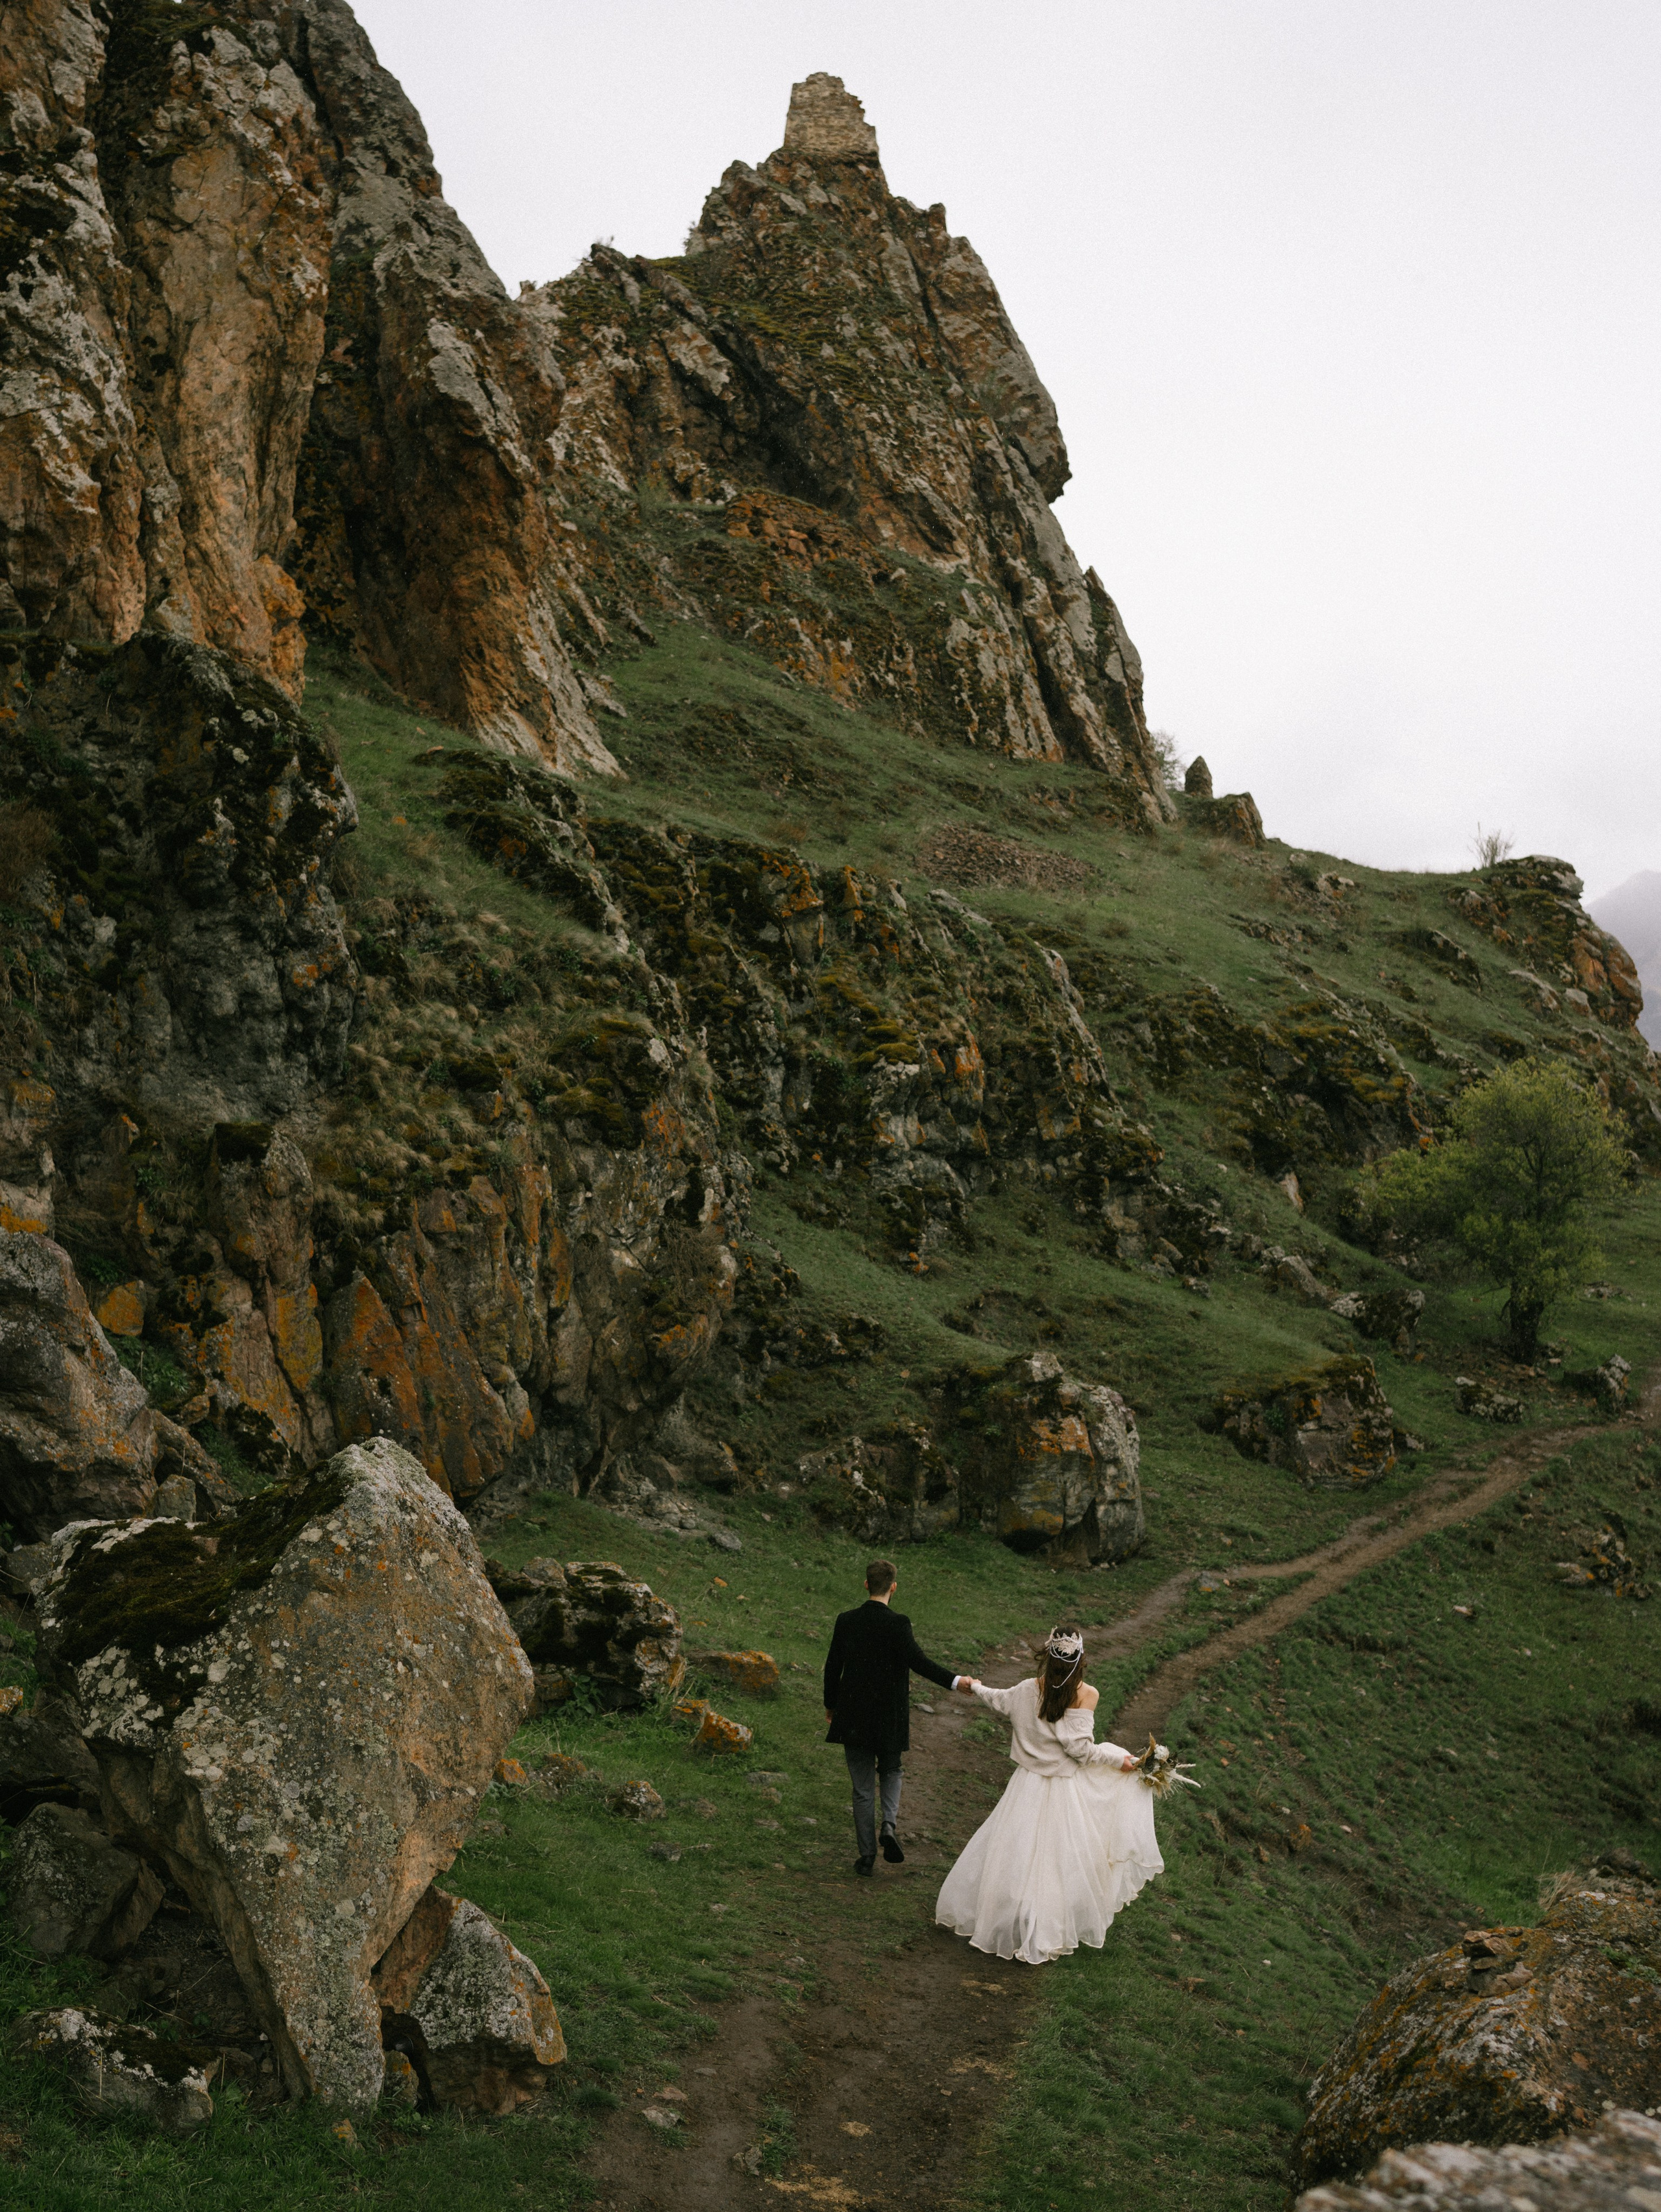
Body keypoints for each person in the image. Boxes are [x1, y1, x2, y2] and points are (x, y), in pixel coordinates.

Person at [936, 1625, 1165, 1964]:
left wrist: (975, 1685)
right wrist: (1120, 1760)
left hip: (1025, 1784)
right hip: (1061, 1787)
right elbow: (1081, 1751)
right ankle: (1042, 1927)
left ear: (1048, 1656)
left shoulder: (1028, 1689)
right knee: (1057, 1859)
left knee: (1013, 1851)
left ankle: (1005, 1917)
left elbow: (998, 1699)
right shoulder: (1086, 1694)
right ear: (1081, 1659)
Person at [823, 1559, 973, 1877]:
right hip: (889, 1717)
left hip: (852, 1715)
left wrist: (831, 1706)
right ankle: (889, 1826)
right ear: (893, 1587)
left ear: (866, 1585)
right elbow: (919, 1662)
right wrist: (955, 1680)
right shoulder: (898, 1623)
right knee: (891, 1771)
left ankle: (866, 1857)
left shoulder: (846, 1621)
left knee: (862, 1789)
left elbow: (833, 1666)